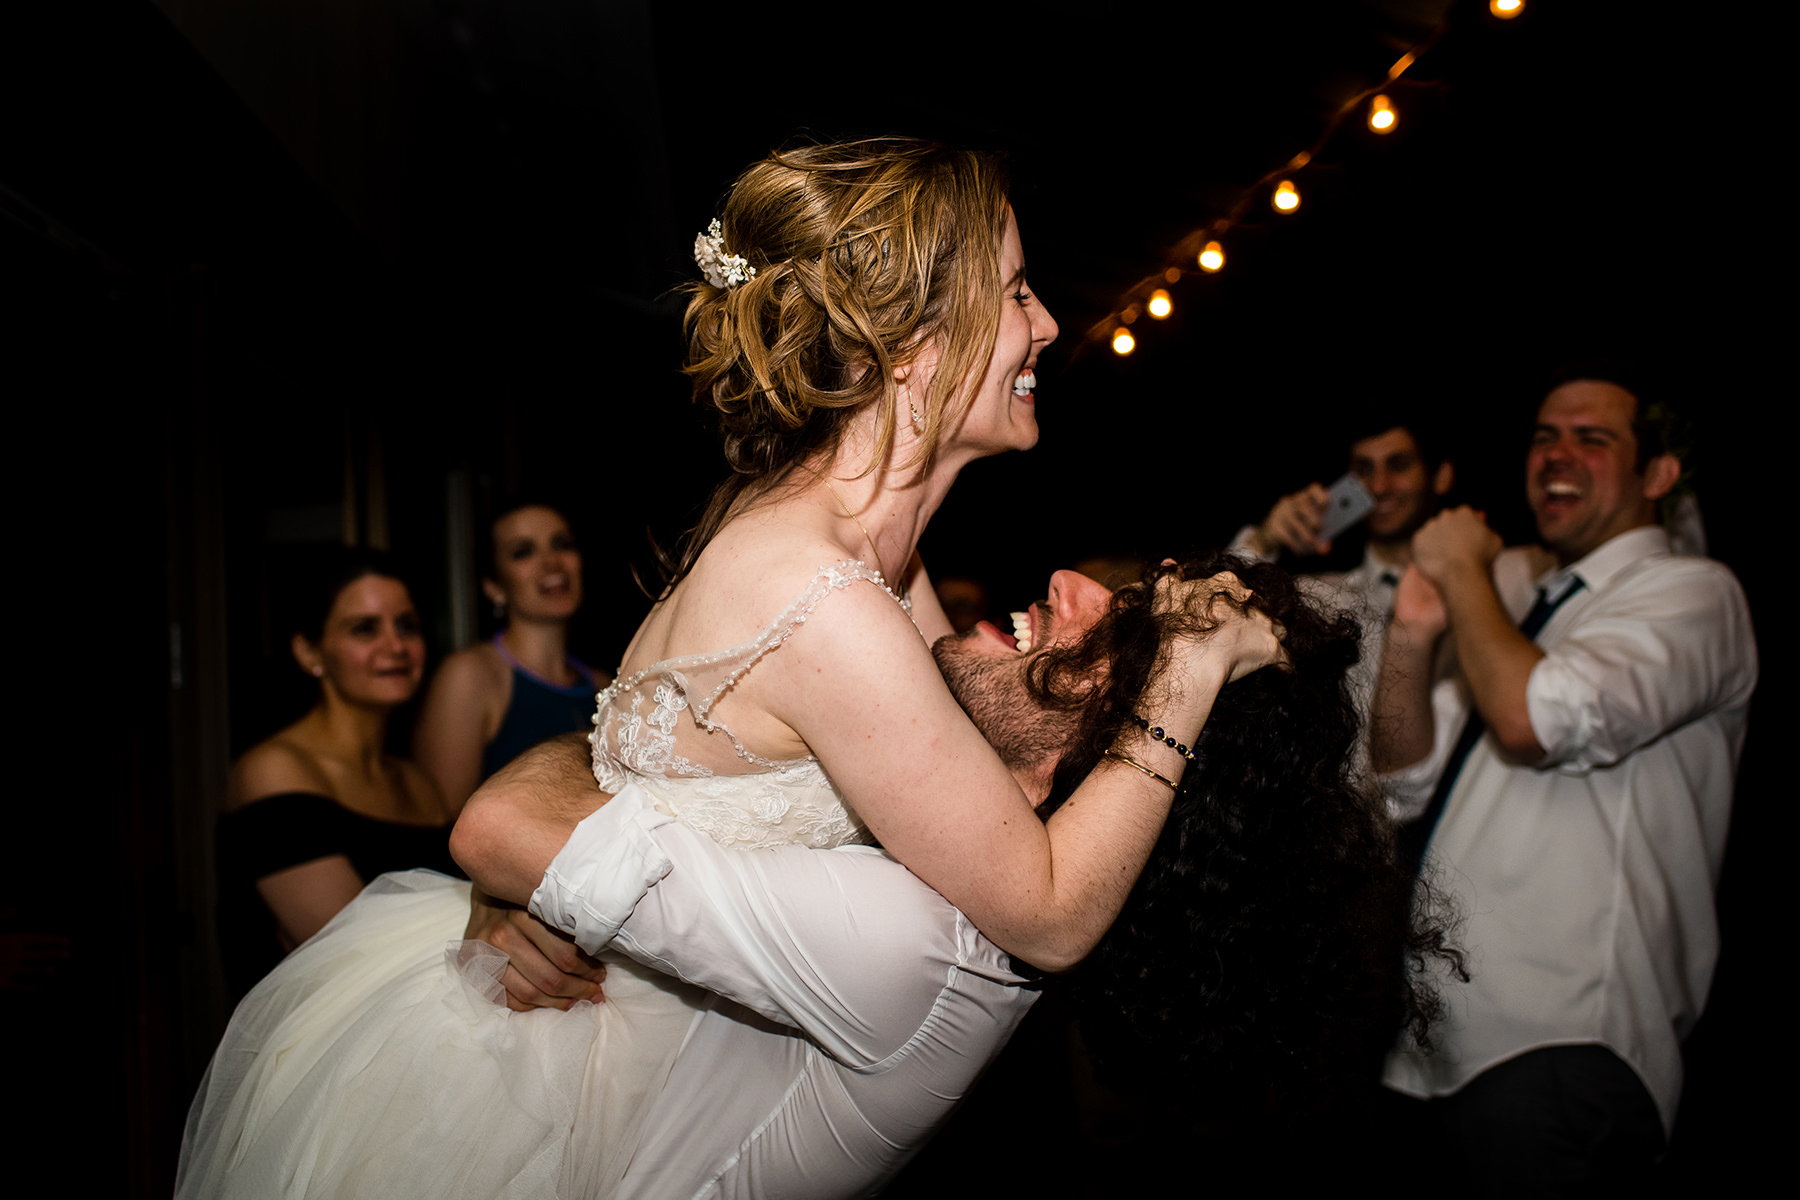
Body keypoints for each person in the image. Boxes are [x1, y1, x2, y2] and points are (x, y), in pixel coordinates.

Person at [178, 136, 1269, 1195]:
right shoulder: (827, 603)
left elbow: (971, 768)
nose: (1046, 324)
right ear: (910, 350)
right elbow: (1046, 911)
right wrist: (1185, 670)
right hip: (562, 1099)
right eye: (1018, 293)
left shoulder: (859, 553)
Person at [1370, 365, 1756, 1190]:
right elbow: (1402, 782)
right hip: (1432, 1052)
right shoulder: (1518, 611)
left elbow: (1534, 718)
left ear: (1657, 474)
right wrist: (1410, 632)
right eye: (1545, 436)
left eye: (1593, 438)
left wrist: (1466, 569)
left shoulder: (1691, 592)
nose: (1557, 454)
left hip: (1563, 1040)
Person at [215, 550, 457, 998]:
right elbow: (353, 951)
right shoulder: (273, 771)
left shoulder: (418, 783)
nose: (396, 646)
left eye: (407, 626)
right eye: (365, 628)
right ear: (309, 652)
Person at [1231, 416, 1458, 747]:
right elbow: (1214, 625)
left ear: (1441, 476)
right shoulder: (1324, 599)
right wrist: (1264, 541)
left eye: (1398, 465)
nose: (1378, 486)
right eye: (1364, 470)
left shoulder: (1495, 586)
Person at [413, 499, 607, 807]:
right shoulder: (469, 676)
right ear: (493, 586)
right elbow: (442, 821)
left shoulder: (603, 684)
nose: (552, 564)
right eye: (523, 552)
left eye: (562, 544)